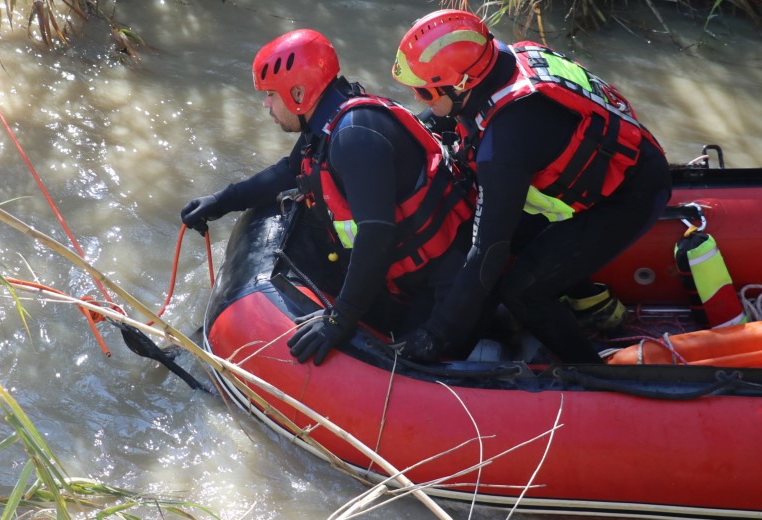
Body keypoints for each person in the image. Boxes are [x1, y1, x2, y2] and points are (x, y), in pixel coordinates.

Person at [389, 10, 672, 364]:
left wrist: (436, 335)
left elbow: (487, 252)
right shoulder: (502, 59)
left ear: (462, 84)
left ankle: (595, 373)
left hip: (629, 196)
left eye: (424, 91)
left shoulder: (505, 143)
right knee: (509, 226)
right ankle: (587, 299)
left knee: (521, 291)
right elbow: (446, 116)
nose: (419, 98)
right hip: (614, 159)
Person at [180, 29, 475, 366]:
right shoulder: (330, 119)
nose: (265, 104)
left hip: (445, 292)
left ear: (298, 93)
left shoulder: (353, 137)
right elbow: (289, 171)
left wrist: (339, 321)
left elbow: (377, 236)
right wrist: (222, 201)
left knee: (406, 362)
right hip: (409, 278)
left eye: (270, 95)